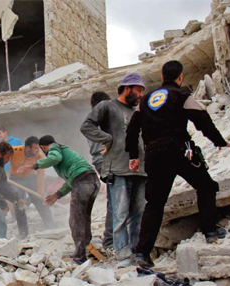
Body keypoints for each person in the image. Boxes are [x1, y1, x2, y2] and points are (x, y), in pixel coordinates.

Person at [125, 60, 230, 268]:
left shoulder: (146, 100)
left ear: (161, 76)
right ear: (180, 77)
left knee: (155, 204)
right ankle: (210, 231)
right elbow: (202, 120)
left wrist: (133, 155)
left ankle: (142, 253)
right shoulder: (183, 95)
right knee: (206, 186)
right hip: (179, 150)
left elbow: (132, 130)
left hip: (154, 154)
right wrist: (220, 142)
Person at [80, 73, 147, 267]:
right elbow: (86, 126)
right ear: (127, 88)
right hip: (117, 168)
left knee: (138, 213)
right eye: (139, 89)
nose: (141, 94)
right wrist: (107, 139)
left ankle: (136, 254)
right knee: (119, 213)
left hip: (140, 169)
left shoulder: (138, 111)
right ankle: (123, 257)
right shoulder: (107, 106)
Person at [18, 135, 99, 265]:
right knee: (84, 217)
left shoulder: (54, 149)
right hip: (93, 182)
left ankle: (79, 257)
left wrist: (33, 166)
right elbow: (72, 180)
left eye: (41, 149)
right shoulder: (66, 153)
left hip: (83, 183)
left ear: (44, 147)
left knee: (75, 220)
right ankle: (87, 247)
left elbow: (55, 158)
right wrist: (57, 195)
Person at [10, 136, 56, 239]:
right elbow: (1, 154)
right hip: (16, 179)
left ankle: (51, 226)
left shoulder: (39, 157)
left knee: (40, 202)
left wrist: (40, 191)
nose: (38, 150)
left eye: (38, 148)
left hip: (31, 178)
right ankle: (23, 234)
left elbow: (40, 175)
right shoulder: (15, 150)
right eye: (35, 148)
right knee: (19, 204)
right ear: (28, 148)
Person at [87, 91, 113, 250]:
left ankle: (111, 238)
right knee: (116, 199)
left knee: (115, 199)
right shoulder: (102, 118)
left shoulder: (92, 119)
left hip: (102, 164)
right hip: (108, 163)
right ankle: (110, 240)